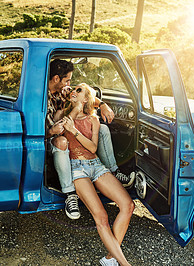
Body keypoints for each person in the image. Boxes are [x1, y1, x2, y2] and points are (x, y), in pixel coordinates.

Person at [46, 59, 135, 220]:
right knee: (62, 141)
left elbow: (84, 96)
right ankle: (70, 194)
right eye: (67, 80)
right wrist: (54, 129)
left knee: (104, 128)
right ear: (56, 79)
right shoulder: (42, 97)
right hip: (49, 138)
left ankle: (113, 172)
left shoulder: (64, 91)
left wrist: (102, 105)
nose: (70, 85)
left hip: (67, 131)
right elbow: (41, 132)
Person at [62, 83, 134, 266]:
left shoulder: (93, 120)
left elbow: (93, 148)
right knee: (101, 217)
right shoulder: (64, 115)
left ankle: (110, 258)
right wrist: (70, 120)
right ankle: (125, 264)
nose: (73, 91)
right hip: (77, 168)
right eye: (73, 89)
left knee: (128, 205)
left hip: (96, 165)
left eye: (79, 90)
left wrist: (74, 131)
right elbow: (54, 129)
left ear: (86, 99)